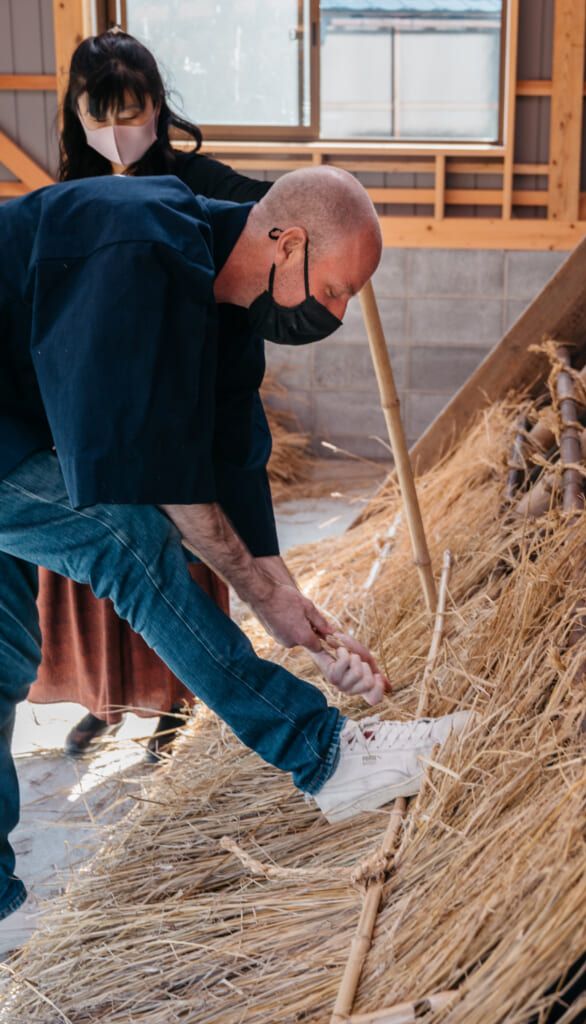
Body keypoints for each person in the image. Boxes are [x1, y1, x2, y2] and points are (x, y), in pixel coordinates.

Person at [0, 165, 469, 952]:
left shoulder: (222, 304)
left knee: (5, 656)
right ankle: (324, 755)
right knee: (126, 538)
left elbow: (230, 463)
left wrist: (294, 609)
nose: (340, 312)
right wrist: (259, 596)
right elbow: (152, 478)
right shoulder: (136, 250)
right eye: (335, 290)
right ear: (287, 243)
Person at [31, 29, 275, 762]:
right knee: (109, 565)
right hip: (94, 416)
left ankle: (176, 701)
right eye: (97, 114)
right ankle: (108, 703)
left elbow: (273, 216)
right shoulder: (65, 196)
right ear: (75, 113)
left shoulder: (202, 182)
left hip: (175, 412)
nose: (116, 131)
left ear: (158, 107)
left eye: (130, 112)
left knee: (183, 554)